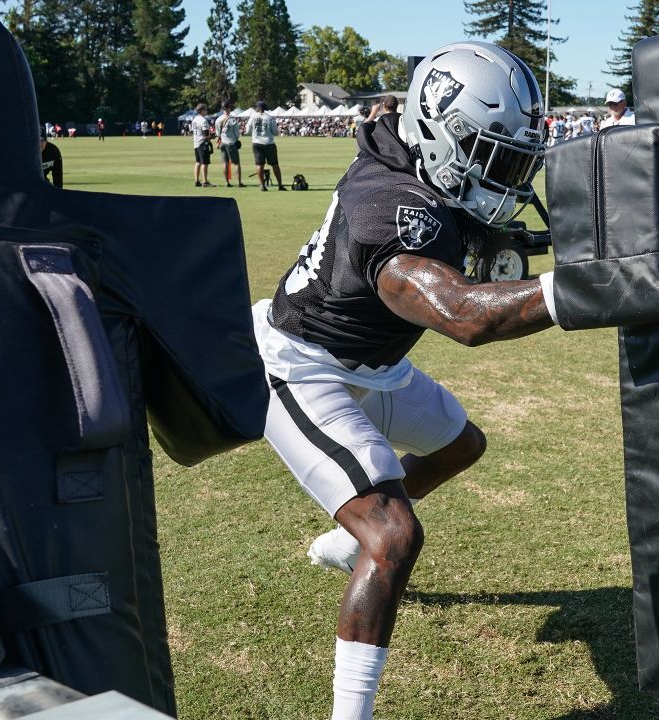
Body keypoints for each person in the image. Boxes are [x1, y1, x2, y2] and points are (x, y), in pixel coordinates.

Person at [255, 41, 554, 720]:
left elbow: (478, 234)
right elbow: (463, 317)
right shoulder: (387, 202)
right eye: (490, 154)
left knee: (460, 445)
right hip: (302, 367)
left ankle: (338, 543)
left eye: (513, 159)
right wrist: (586, 290)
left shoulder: (419, 171)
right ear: (439, 130)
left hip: (376, 367)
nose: (503, 175)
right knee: (393, 535)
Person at [247, 100, 284, 191]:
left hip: (256, 143)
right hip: (269, 143)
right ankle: (280, 185)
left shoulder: (252, 117)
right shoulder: (270, 118)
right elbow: (275, 132)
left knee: (259, 165)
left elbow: (247, 130)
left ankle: (262, 185)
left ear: (257, 108)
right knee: (275, 164)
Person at [214, 100, 245, 187]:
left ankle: (227, 182)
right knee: (236, 163)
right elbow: (237, 134)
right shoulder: (232, 120)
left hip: (222, 143)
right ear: (229, 108)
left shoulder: (218, 119)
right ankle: (239, 182)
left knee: (225, 163)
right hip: (231, 143)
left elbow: (217, 134)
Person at [190, 103, 213, 187]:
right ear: (202, 110)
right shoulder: (203, 120)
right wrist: (212, 136)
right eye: (205, 109)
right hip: (203, 143)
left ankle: (196, 180)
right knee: (205, 163)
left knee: (198, 162)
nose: (206, 111)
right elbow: (205, 134)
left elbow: (192, 132)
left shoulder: (195, 119)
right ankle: (205, 181)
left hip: (196, 143)